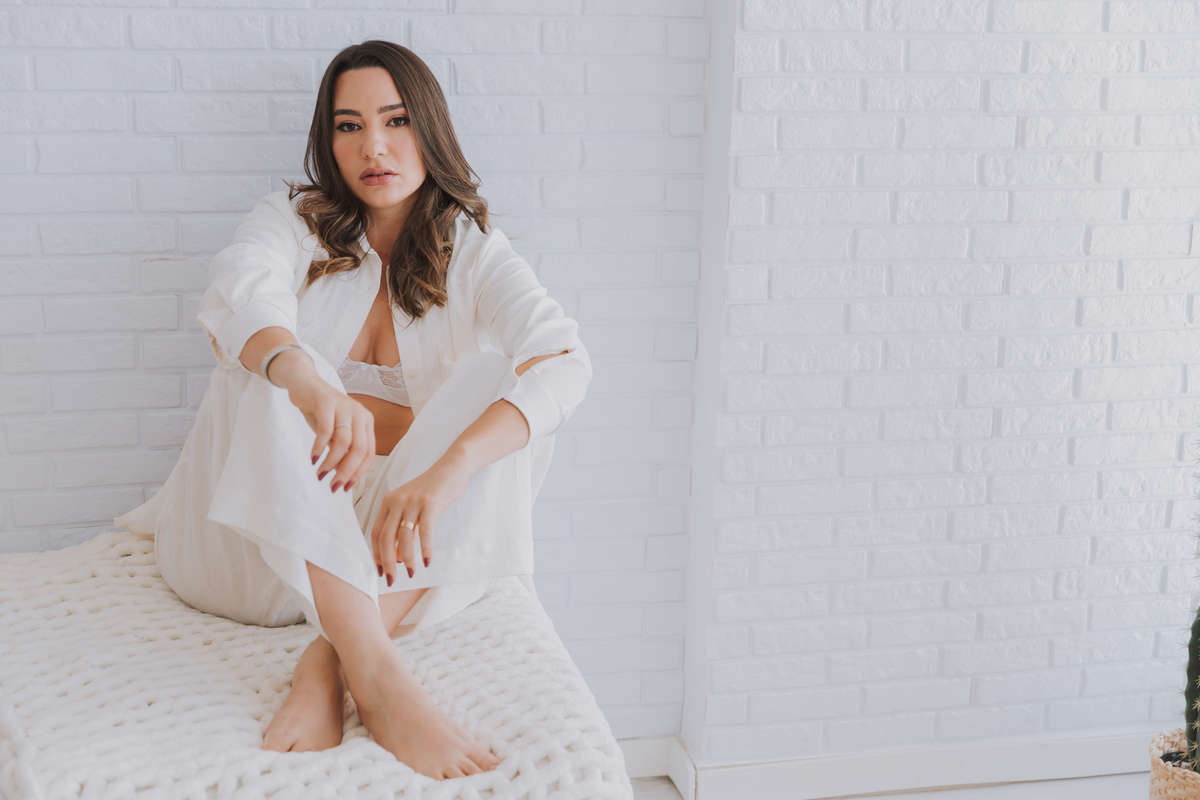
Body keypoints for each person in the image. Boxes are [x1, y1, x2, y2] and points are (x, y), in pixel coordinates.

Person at [113, 40, 592, 781]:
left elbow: (564, 359)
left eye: (396, 121)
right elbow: (243, 291)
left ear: (430, 130)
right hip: (248, 556)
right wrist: (304, 378)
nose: (373, 146)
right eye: (349, 126)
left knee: (505, 380)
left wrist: (452, 469)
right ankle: (379, 675)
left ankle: (330, 662)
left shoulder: (473, 251)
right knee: (266, 365)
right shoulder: (290, 221)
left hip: (388, 553)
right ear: (328, 141)